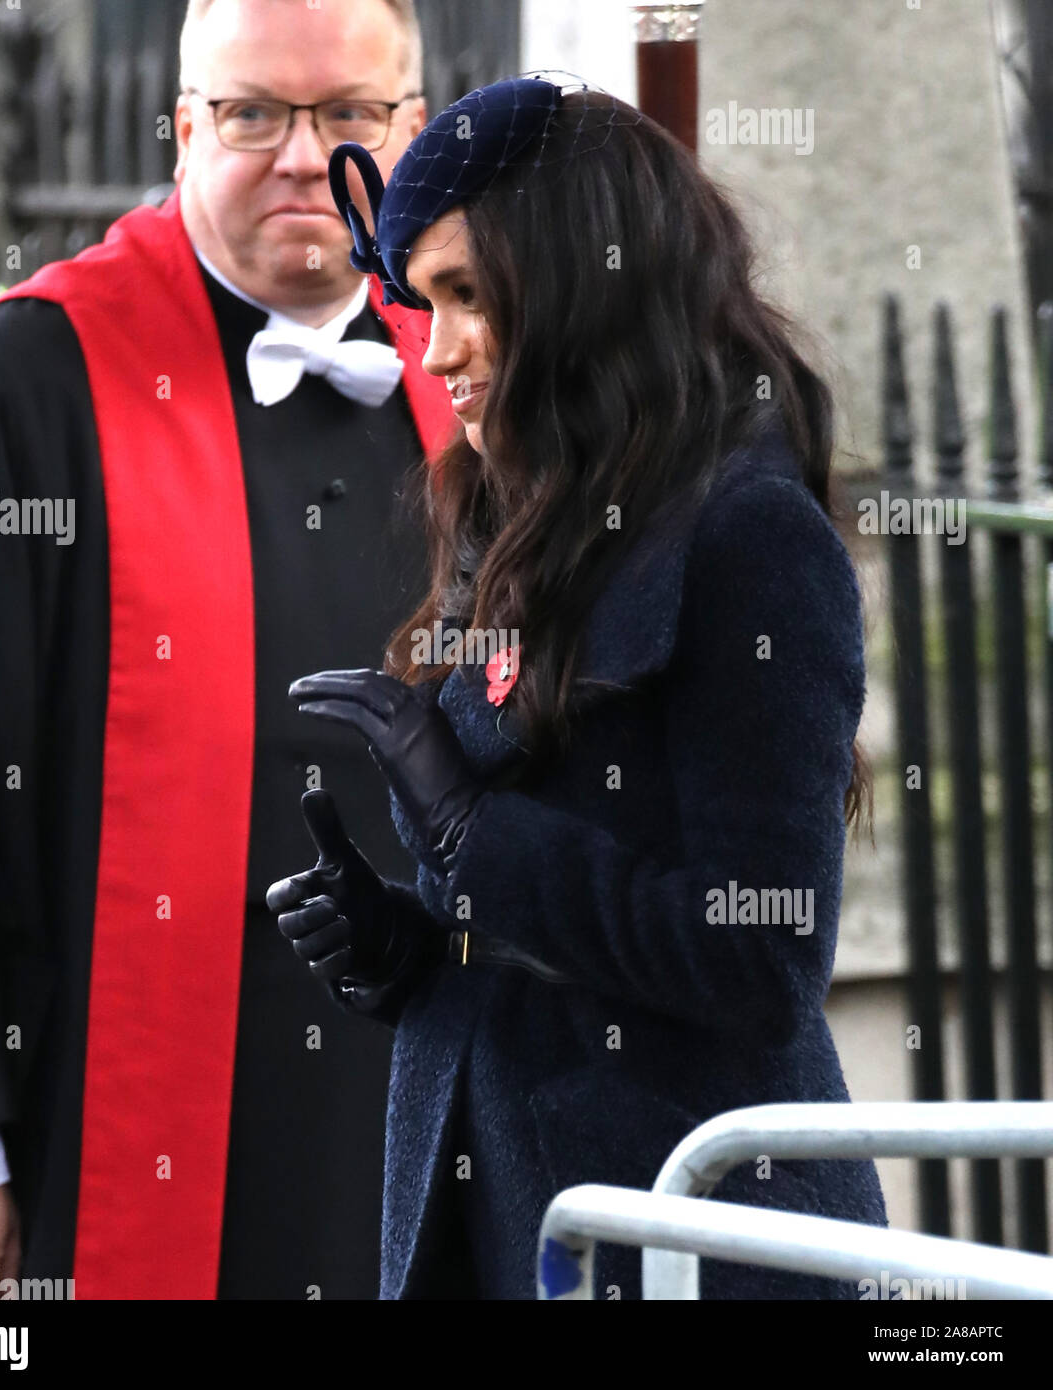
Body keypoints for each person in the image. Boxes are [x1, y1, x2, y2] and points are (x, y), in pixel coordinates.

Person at [266, 76, 889, 1300]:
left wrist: (472, 832)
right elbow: (534, 928)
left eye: (469, 297)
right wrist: (405, 941)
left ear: (581, 289)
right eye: (422, 299)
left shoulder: (747, 536)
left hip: (690, 1231)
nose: (434, 347)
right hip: (492, 1206)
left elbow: (761, 958)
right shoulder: (514, 514)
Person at [0, 0, 451, 1301]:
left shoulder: (472, 371)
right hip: (109, 1095)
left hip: (406, 1091)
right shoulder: (8, 386)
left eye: (351, 114)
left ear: (410, 133)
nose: (307, 157)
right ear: (185, 128)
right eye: (256, 114)